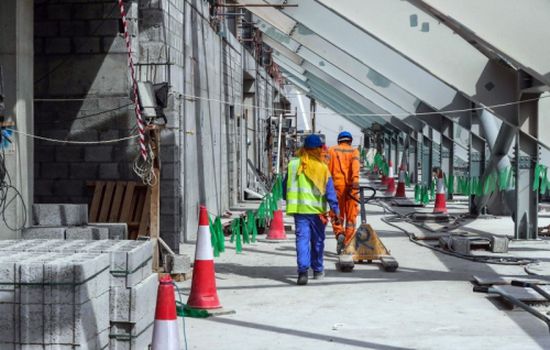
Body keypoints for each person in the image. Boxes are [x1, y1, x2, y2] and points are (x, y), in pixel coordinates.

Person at [284, 134, 340, 285]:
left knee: (302, 240)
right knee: (318, 241)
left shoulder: (293, 164)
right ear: (319, 149)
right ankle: (317, 270)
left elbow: (284, 188)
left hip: (299, 210)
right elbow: (330, 192)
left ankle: (303, 273)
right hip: (317, 212)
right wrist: (335, 209)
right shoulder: (322, 167)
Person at [328, 131, 360, 254]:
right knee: (351, 215)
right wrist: (355, 182)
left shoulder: (331, 151)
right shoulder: (354, 151)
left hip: (336, 186)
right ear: (350, 141)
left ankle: (339, 233)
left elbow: (327, 170)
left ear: (339, 140)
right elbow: (355, 168)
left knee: (336, 212)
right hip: (352, 187)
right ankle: (348, 243)